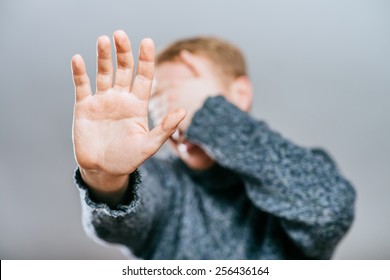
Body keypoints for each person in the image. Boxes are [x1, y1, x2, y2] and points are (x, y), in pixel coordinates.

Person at [71, 30, 356, 259]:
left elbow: (328, 211)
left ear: (240, 95)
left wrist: (208, 115)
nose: (174, 115)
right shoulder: (163, 181)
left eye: (183, 96)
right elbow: (117, 224)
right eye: (158, 101)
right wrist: (107, 177)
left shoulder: (304, 167)